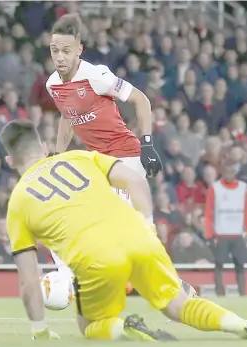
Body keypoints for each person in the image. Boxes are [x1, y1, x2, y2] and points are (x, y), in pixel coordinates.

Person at [1, 119, 247, 341]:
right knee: (179, 304)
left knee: (88, 325)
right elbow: (136, 183)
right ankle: (241, 325)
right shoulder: (79, 157)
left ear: (10, 161)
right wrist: (148, 227)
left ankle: (125, 327)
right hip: (139, 235)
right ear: (42, 147)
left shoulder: (18, 202)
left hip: (95, 258)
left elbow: (29, 281)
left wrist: (40, 331)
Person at [45, 13, 162, 272]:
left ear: (79, 50)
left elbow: (141, 99)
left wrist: (148, 144)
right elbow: (68, 116)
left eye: (66, 51)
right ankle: (71, 278)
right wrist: (57, 154)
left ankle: (169, 285)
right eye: (55, 51)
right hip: (98, 162)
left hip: (125, 155)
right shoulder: (53, 84)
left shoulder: (97, 76)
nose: (60, 57)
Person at [204, 160, 247, 296]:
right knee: (219, 264)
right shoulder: (215, 188)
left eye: (232, 171)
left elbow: (246, 212)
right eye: (226, 171)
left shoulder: (243, 188)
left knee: (240, 265)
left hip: (237, 234)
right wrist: (210, 234)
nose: (229, 174)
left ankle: (242, 293)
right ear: (222, 172)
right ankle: (220, 293)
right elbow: (209, 212)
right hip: (221, 234)